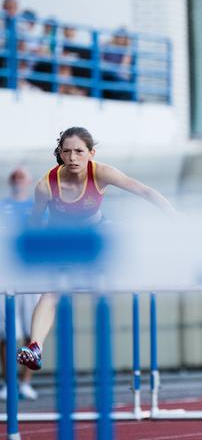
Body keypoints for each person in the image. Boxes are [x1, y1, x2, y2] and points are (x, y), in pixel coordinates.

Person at [16, 127, 177, 372]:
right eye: (67, 152)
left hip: (97, 233)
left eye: (79, 152)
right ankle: (35, 347)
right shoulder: (45, 186)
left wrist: (174, 216)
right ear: (59, 153)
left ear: (91, 153)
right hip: (63, 241)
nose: (72, 158)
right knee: (50, 293)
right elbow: (35, 223)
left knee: (123, 234)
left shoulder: (101, 172)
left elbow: (144, 191)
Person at [0, 167, 40, 400]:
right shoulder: (2, 207)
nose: (18, 181)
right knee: (6, 334)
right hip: (7, 278)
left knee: (31, 332)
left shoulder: (37, 207)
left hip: (31, 277)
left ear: (29, 182)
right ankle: (9, 383)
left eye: (22, 178)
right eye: (14, 178)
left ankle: (25, 382)